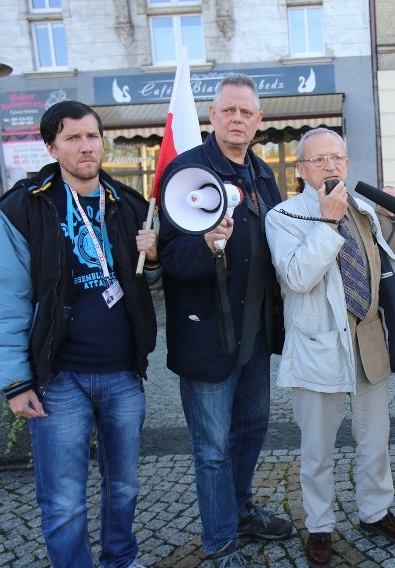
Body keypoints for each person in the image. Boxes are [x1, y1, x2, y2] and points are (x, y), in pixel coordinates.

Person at [0, 100, 158, 568]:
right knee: (62, 500)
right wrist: (15, 382)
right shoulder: (22, 208)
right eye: (72, 137)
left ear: (103, 142)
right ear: (51, 145)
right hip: (59, 380)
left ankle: (121, 559)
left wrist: (155, 260)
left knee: (125, 486)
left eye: (92, 136)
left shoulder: (128, 204)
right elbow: (1, 300)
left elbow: (146, 283)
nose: (85, 146)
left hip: (122, 375)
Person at [265, 128, 395, 568]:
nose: (331, 167)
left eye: (337, 158)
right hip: (319, 346)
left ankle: (375, 511)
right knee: (317, 449)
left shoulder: (365, 209)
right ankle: (319, 525)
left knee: (376, 440)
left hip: (369, 341)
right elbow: (297, 276)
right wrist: (329, 221)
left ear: (348, 163)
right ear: (300, 170)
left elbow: (388, 270)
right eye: (318, 160)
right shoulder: (284, 216)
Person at [157, 73, 291, 568]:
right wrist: (209, 246)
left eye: (246, 112)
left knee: (251, 430)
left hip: (255, 336)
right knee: (212, 447)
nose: (237, 119)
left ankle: (238, 510)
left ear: (259, 121)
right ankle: (219, 542)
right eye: (228, 110)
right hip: (207, 337)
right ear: (213, 116)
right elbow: (170, 262)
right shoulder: (186, 172)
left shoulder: (261, 174)